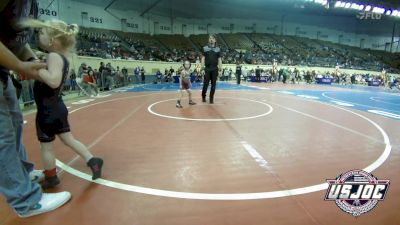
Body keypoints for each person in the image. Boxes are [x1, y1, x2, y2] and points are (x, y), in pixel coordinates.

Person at [0, 0, 71, 218]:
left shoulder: (31, 4)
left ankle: (23, 175)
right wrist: (19, 65)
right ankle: (26, 200)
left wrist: (29, 59)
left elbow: (16, 40)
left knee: (13, 123)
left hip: (3, 68)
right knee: (2, 136)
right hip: (6, 65)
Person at [22, 19, 104, 189]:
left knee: (47, 147)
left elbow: (53, 81)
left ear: (53, 40)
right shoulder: (62, 58)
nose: (39, 35)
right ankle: (92, 160)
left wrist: (37, 68)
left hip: (46, 110)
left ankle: (51, 177)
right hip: (58, 107)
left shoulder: (53, 56)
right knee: (69, 139)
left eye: (42, 33)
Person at [201, 34, 222, 104]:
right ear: (208, 40)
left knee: (214, 85)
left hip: (215, 69)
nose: (211, 39)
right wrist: (202, 69)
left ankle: (211, 98)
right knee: (205, 85)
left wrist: (220, 70)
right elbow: (203, 59)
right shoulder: (205, 48)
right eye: (210, 38)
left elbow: (219, 60)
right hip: (207, 69)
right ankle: (203, 96)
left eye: (213, 38)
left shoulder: (218, 49)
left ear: (215, 40)